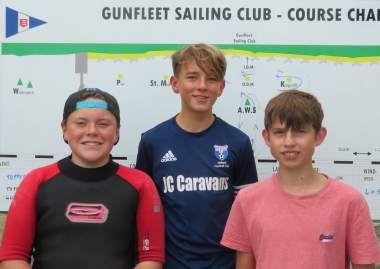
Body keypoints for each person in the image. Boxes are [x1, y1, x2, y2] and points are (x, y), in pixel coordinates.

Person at [0, 88, 165, 269]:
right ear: (64, 130)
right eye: (81, 123)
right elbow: (13, 257)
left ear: (117, 132)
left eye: (103, 124)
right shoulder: (36, 181)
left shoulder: (140, 183)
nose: (92, 131)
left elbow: (151, 258)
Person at [221, 90, 380, 269]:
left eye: (300, 131)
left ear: (319, 136)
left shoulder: (350, 201)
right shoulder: (247, 200)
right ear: (267, 137)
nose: (289, 142)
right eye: (280, 132)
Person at [135, 43, 258, 269]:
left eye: (211, 79)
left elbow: (248, 219)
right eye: (192, 77)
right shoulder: (152, 141)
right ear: (175, 83)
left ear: (221, 87)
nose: (202, 86)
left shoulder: (238, 142)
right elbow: (143, 214)